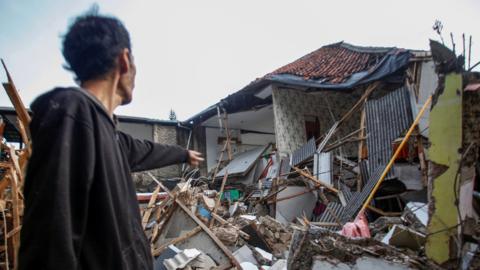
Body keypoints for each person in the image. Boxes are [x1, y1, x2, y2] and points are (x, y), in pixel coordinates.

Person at [18, 10, 203, 270]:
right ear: (124, 60)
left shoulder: (108, 135)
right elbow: (49, 242)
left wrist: (184, 154)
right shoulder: (72, 114)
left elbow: (147, 150)